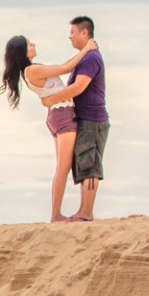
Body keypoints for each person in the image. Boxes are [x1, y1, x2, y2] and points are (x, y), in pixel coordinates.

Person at [0, 34, 98, 223]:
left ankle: (56, 213)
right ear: (22, 51)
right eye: (29, 44)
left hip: (57, 115)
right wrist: (87, 49)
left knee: (62, 167)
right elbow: (66, 68)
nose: (33, 44)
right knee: (63, 168)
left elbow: (64, 69)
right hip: (62, 116)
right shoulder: (32, 70)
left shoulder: (30, 71)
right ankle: (56, 215)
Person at [41, 15, 109, 222]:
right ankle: (83, 210)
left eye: (72, 32)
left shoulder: (91, 58)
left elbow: (78, 87)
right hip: (86, 118)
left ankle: (86, 212)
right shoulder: (85, 57)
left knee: (90, 165)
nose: (69, 36)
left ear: (84, 33)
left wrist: (51, 99)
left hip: (93, 119)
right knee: (84, 163)